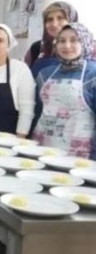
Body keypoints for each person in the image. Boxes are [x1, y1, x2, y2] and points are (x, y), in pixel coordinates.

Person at [33, 23, 96, 158]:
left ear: (85, 42)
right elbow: (37, 111)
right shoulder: (45, 74)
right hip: (43, 148)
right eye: (62, 41)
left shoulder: (93, 74)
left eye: (74, 40)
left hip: (80, 155)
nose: (67, 46)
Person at [25, 1, 79, 70]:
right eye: (49, 19)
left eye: (60, 18)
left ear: (71, 20)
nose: (54, 24)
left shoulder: (88, 49)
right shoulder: (36, 49)